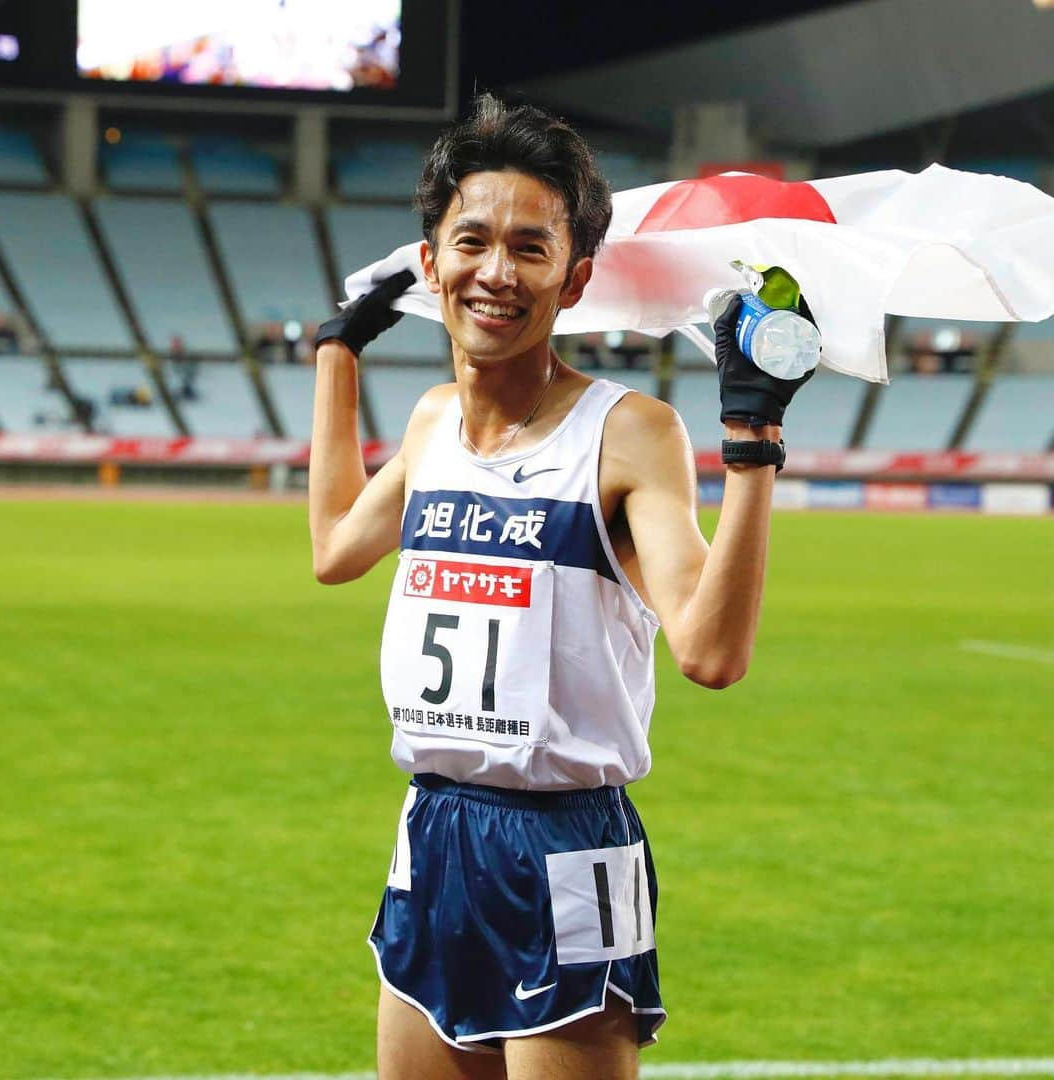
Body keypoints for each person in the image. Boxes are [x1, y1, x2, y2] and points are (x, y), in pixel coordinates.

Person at [309, 94, 813, 1080]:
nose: (495, 272)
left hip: (570, 846)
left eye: (530, 250)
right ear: (431, 262)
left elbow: (710, 652)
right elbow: (334, 546)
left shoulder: (626, 434)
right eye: (472, 241)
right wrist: (337, 351)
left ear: (574, 278)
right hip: (434, 827)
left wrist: (752, 454)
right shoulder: (427, 427)